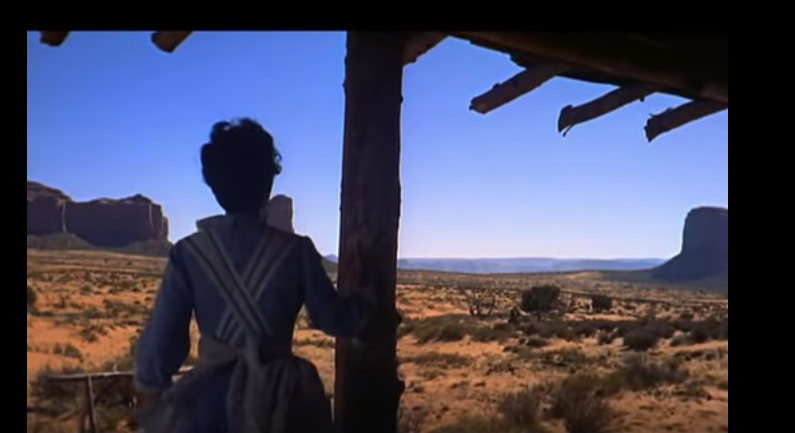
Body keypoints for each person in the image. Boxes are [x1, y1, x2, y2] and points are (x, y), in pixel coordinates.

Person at [134, 118, 374, 432]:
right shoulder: (297, 251)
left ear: (212, 183)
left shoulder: (188, 253)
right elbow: (332, 319)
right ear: (268, 182)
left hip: (208, 404)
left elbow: (163, 340)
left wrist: (151, 389)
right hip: (284, 403)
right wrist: (368, 301)